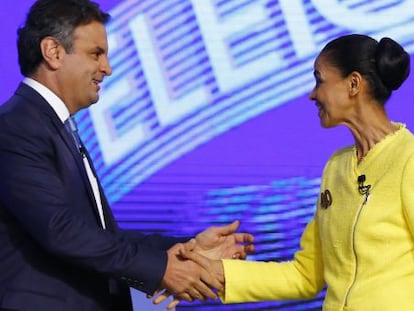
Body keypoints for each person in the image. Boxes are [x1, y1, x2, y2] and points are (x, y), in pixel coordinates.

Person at [0, 0, 254, 310]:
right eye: (96, 53)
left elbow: (102, 237)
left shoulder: (54, 127)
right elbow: (60, 229)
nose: (107, 68)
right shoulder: (15, 125)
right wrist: (164, 270)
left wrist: (186, 249)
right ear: (53, 51)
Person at [155, 34, 413, 310]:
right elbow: (305, 275)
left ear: (353, 84)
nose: (313, 94)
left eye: (319, 79)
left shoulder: (408, 159)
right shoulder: (336, 167)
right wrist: (213, 272)